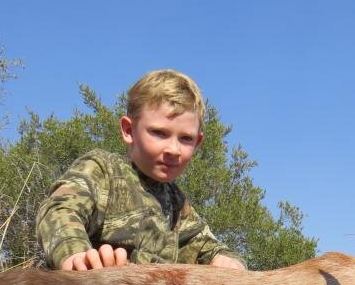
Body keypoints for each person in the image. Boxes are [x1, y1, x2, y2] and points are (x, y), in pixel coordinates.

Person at [36, 69, 246, 271]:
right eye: (159, 133)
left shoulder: (177, 204)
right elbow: (59, 210)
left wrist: (229, 261)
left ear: (198, 142)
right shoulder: (102, 169)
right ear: (129, 130)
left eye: (185, 138)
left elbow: (209, 247)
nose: (173, 149)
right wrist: (75, 255)